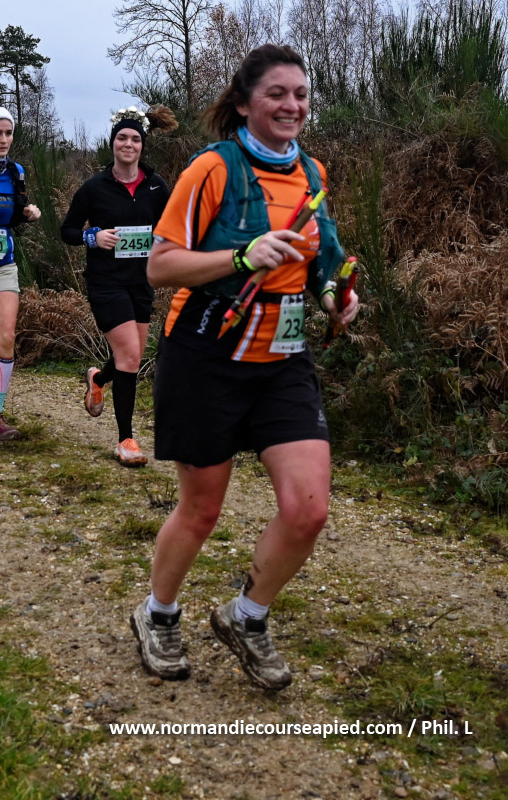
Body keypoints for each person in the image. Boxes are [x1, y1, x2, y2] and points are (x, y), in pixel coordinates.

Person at [131, 44, 359, 690]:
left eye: (301, 94)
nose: (292, 106)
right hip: (206, 355)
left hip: (282, 359)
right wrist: (240, 257)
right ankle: (158, 613)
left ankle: (247, 616)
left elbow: (321, 259)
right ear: (243, 102)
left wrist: (334, 295)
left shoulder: (312, 173)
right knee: (202, 510)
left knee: (308, 509)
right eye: (277, 94)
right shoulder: (212, 169)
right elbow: (160, 266)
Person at [61, 106, 175, 466]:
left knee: (131, 358)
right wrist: (93, 237)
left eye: (135, 139)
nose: (128, 144)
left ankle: (98, 378)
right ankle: (126, 440)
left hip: (141, 282)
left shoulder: (156, 187)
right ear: (113, 143)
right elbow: (67, 230)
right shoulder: (94, 188)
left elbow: (170, 227)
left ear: (142, 146)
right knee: (128, 356)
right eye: (122, 138)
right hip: (106, 282)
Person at [0, 107, 41, 440]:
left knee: (6, 335)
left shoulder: (15, 172)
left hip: (0, 264)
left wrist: (28, 213)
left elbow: (11, 213)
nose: (3, 139)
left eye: (8, 133)